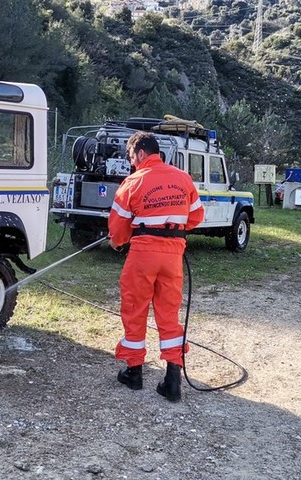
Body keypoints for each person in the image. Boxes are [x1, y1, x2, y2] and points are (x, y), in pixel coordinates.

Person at [108, 131, 204, 402]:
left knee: (134, 309)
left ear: (140, 153)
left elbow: (118, 227)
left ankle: (134, 372)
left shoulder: (133, 181)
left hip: (143, 253)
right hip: (173, 255)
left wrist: (117, 241)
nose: (131, 162)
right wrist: (172, 232)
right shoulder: (183, 178)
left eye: (131, 157)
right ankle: (172, 380)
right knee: (169, 314)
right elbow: (196, 216)